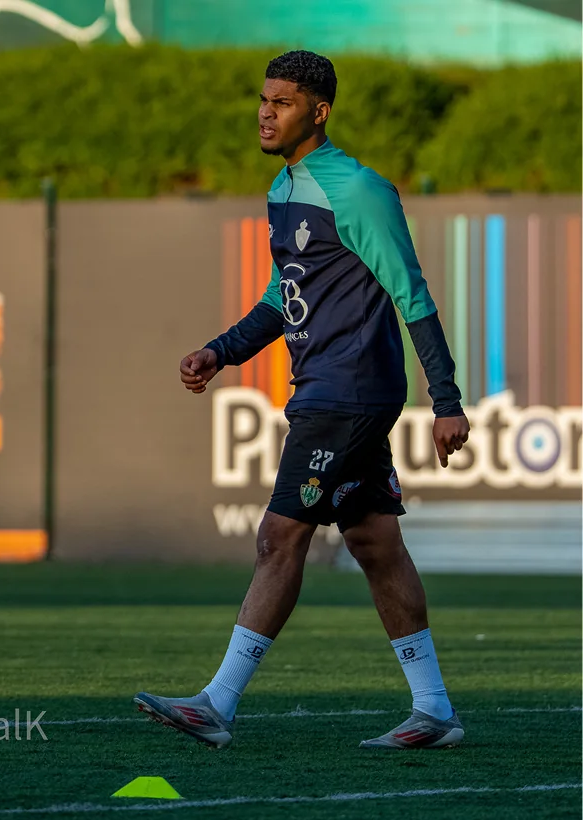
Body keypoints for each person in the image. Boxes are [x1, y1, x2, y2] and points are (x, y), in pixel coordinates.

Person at [134, 50, 470, 750]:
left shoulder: (359, 190)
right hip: (329, 387)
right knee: (376, 543)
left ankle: (217, 703)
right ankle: (433, 709)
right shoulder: (283, 189)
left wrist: (447, 400)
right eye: (262, 99)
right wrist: (221, 351)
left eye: (282, 102)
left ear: (318, 112)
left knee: (278, 537)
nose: (265, 111)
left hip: (347, 392)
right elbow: (279, 298)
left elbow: (412, 294)